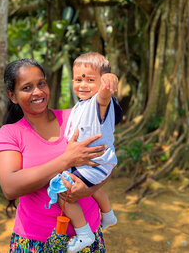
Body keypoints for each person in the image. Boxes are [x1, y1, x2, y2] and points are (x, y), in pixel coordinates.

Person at [0, 58, 110, 252]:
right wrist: (66, 160)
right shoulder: (10, 134)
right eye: (27, 88)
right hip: (35, 241)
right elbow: (10, 187)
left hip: (88, 239)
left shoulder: (74, 117)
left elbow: (106, 159)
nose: (37, 92)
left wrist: (88, 190)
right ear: (13, 96)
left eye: (41, 84)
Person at [46, 52, 121, 252]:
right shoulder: (81, 105)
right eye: (79, 79)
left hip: (94, 164)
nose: (83, 84)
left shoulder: (98, 103)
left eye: (90, 80)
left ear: (101, 82)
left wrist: (107, 84)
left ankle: (84, 232)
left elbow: (104, 97)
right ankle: (109, 214)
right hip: (98, 165)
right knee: (95, 187)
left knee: (63, 191)